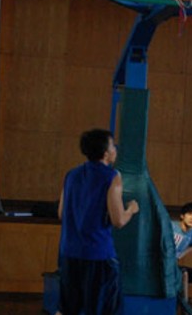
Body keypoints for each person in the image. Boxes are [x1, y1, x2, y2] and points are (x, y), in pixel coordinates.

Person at [57, 129, 139, 315]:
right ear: (105, 153)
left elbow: (61, 213)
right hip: (98, 255)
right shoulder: (112, 176)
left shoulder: (71, 174)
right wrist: (131, 210)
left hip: (69, 253)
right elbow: (118, 220)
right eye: (112, 145)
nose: (115, 148)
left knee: (65, 309)